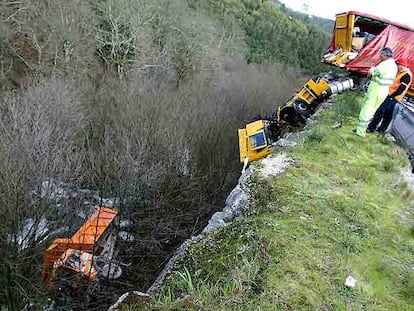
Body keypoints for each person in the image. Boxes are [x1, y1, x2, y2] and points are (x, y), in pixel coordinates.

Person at [355, 47, 398, 137]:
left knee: (366, 109)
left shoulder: (384, 64)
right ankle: (364, 128)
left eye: (381, 54)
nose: (380, 56)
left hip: (376, 90)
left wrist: (372, 68)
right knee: (372, 110)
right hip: (384, 91)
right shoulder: (394, 66)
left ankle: (360, 131)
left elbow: (372, 72)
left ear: (386, 55)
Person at [367, 57, 412, 133]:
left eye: (398, 65)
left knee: (380, 111)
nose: (397, 67)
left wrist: (391, 96)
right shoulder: (402, 73)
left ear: (401, 65)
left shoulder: (406, 75)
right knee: (387, 114)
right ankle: (381, 130)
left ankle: (371, 127)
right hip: (393, 97)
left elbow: (401, 89)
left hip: (393, 97)